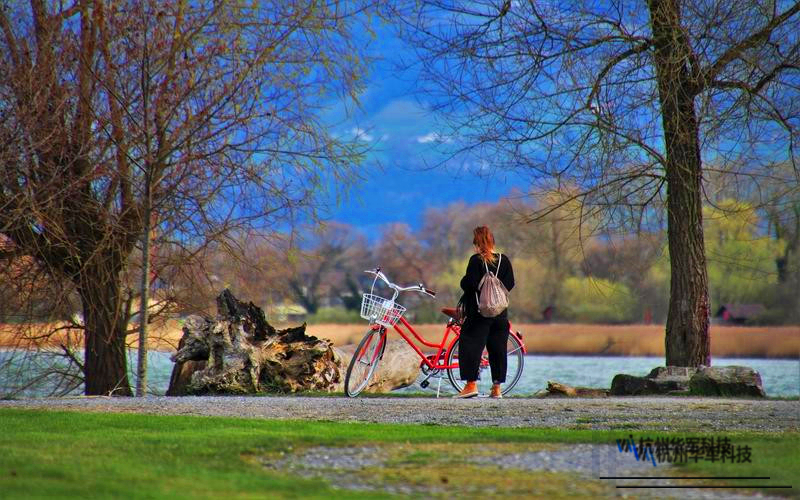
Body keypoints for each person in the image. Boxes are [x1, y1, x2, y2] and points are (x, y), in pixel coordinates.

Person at [455, 226, 515, 399]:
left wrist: (465, 282)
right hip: (500, 314)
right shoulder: (504, 260)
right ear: (492, 241)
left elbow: (470, 284)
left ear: (476, 243)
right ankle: (497, 389)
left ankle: (471, 385)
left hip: (478, 314)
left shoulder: (476, 261)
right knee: (498, 349)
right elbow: (510, 284)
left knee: (471, 346)